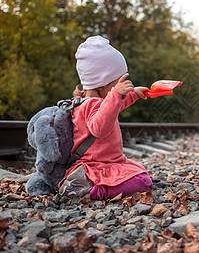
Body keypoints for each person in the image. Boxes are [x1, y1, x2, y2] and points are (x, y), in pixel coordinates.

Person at [58, 35, 153, 200]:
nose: (121, 87)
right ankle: (90, 190)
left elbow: (113, 108)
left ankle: (85, 184)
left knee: (139, 172)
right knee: (142, 181)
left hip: (106, 162)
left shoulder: (87, 102)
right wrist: (117, 94)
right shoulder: (92, 104)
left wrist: (134, 94)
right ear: (103, 82)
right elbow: (99, 127)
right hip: (97, 165)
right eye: (118, 82)